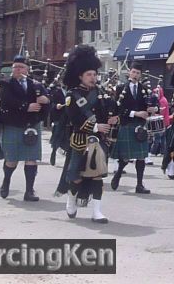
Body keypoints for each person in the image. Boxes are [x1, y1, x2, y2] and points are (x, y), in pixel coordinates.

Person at [62, 45, 116, 223]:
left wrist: (114, 118)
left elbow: (111, 111)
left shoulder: (101, 93)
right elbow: (74, 119)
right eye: (89, 75)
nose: (93, 77)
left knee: (97, 176)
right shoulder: (72, 95)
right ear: (80, 76)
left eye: (94, 74)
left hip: (99, 141)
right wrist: (95, 127)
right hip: (80, 140)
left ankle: (97, 212)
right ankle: (71, 200)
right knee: (76, 177)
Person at [0, 55, 50, 201]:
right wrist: (26, 106)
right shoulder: (6, 83)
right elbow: (7, 101)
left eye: (21, 67)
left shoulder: (36, 84)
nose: (17, 69)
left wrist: (46, 100)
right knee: (11, 160)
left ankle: (29, 191)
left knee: (31, 159)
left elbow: (46, 101)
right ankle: (6, 181)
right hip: (13, 124)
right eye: (15, 67)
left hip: (32, 126)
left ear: (27, 70)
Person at [110, 62, 158, 194]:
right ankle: (118, 173)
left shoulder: (145, 89)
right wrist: (135, 113)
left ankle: (139, 185)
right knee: (124, 157)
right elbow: (119, 108)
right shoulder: (120, 88)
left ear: (140, 75)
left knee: (141, 157)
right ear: (129, 72)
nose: (135, 75)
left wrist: (152, 109)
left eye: (138, 73)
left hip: (140, 126)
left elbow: (152, 104)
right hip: (127, 124)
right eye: (133, 72)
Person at [49, 83, 69, 166]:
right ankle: (53, 152)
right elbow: (52, 103)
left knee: (68, 138)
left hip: (69, 119)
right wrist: (57, 106)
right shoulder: (56, 92)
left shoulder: (72, 92)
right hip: (59, 118)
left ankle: (68, 156)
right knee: (56, 136)